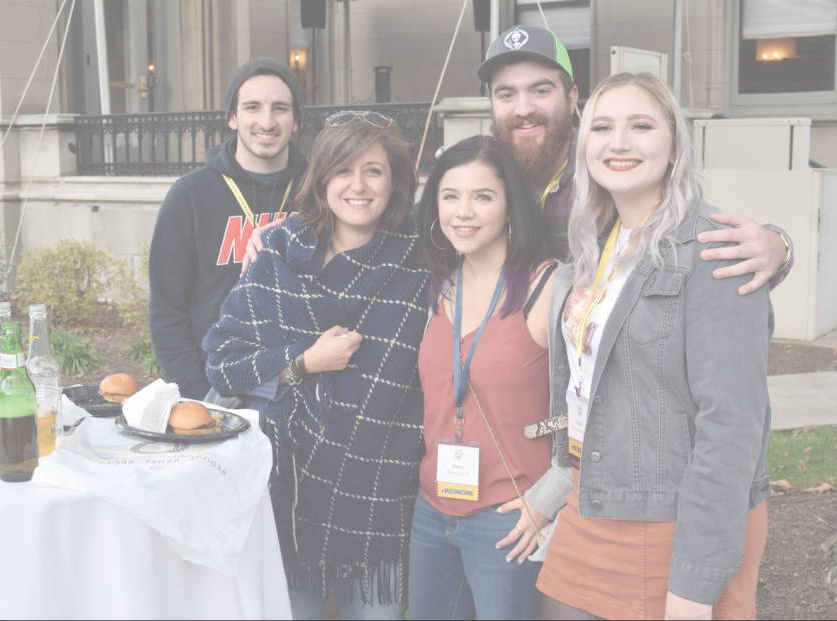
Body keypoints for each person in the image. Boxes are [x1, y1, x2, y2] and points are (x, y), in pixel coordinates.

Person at [242, 25, 794, 298]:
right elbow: (385, 230)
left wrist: (777, 245)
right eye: (506, 94)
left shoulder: (608, 173)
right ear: (492, 104)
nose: (523, 108)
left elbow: (685, 225)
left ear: (572, 97)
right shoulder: (470, 177)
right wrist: (290, 235)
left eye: (540, 90)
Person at [536, 71, 771, 620]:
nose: (618, 142)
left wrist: (694, 585)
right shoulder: (597, 244)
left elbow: (732, 428)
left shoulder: (716, 248)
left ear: (674, 146)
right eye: (602, 127)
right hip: (590, 498)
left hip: (674, 521)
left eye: (640, 125)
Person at [203, 111, 429, 620]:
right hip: (291, 493)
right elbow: (222, 363)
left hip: (379, 491)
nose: (358, 185)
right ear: (322, 177)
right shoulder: (278, 251)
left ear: (394, 183)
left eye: (374, 170)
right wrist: (303, 363)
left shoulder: (423, 259)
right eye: (342, 170)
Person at [408, 136, 562, 620]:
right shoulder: (433, 284)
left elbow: (596, 406)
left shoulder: (551, 288)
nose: (463, 212)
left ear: (510, 207)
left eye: (483, 196)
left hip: (510, 521)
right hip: (430, 514)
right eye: (450, 196)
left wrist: (548, 500)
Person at [149, 58, 308, 400]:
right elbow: (167, 311)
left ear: (296, 119)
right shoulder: (189, 196)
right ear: (233, 117)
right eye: (253, 107)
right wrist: (195, 394)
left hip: (303, 385)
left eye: (280, 108)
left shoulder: (321, 191)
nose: (267, 122)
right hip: (217, 390)